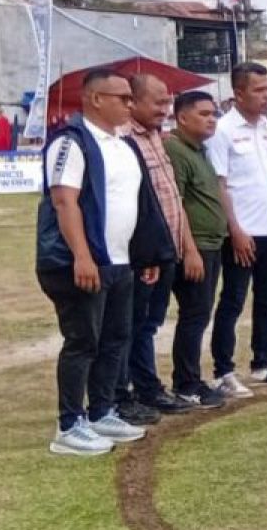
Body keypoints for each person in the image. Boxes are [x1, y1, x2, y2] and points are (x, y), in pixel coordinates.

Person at [36, 70, 174, 455]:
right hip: (81, 262)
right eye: (123, 98)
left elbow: (137, 203)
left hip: (120, 261)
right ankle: (69, 425)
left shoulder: (124, 145)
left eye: (131, 98)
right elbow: (64, 201)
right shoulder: (71, 142)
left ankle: (101, 411)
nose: (130, 104)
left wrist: (145, 254)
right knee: (83, 341)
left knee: (116, 338)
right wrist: (82, 256)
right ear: (96, 99)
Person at [207, 62, 267, 397]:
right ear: (238, 92)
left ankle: (263, 363)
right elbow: (219, 184)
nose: (266, 96)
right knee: (233, 300)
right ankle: (223, 371)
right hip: (243, 232)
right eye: (259, 90)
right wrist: (235, 230)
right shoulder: (222, 130)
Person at [118, 74, 197, 421]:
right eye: (158, 102)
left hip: (166, 248)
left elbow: (172, 197)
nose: (165, 109)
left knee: (148, 324)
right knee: (131, 325)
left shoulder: (156, 137)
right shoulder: (123, 140)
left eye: (167, 102)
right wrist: (145, 252)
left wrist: (185, 246)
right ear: (132, 102)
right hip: (142, 253)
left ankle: (146, 388)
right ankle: (128, 394)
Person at [164, 91, 229, 409]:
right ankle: (186, 383)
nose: (211, 120)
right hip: (196, 246)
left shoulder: (200, 149)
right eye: (204, 114)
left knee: (200, 314)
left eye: (214, 114)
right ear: (182, 117)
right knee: (194, 314)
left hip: (211, 244)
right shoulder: (175, 150)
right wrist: (189, 250)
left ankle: (190, 378)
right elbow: (175, 204)